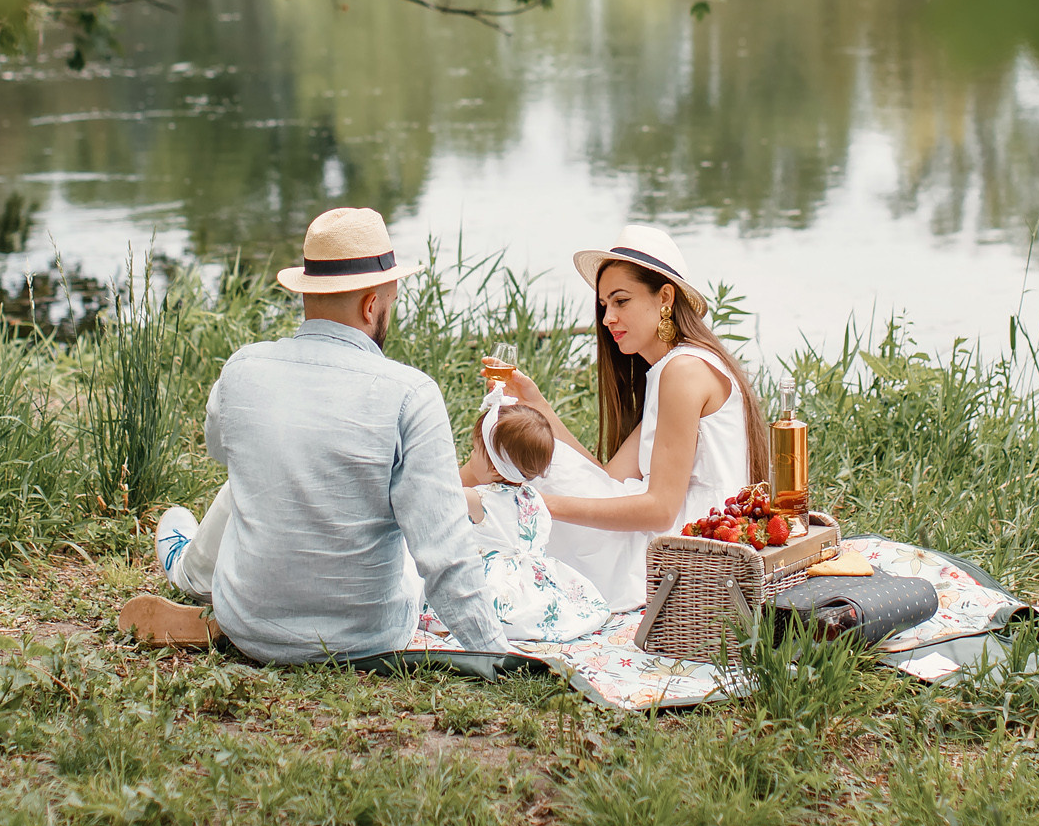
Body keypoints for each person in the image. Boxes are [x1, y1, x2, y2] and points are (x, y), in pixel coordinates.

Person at [116, 207, 509, 662]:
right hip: (366, 639)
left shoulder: (243, 368)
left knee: (244, 479)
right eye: (390, 301)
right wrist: (499, 655)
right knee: (409, 523)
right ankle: (192, 568)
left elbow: (221, 451)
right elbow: (444, 555)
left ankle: (189, 571)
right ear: (370, 304)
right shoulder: (411, 394)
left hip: (249, 627)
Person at [502, 224, 768, 610]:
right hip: (683, 541)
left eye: (620, 301)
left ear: (664, 297)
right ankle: (461, 505)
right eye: (604, 304)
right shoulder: (675, 371)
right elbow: (605, 480)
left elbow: (660, 511)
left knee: (515, 453)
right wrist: (540, 407)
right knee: (526, 442)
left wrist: (541, 504)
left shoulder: (683, 372)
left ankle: (455, 507)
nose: (608, 317)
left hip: (691, 552)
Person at [456, 393, 611, 644]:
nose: (470, 457)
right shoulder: (534, 497)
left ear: (495, 467)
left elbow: (441, 496)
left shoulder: (478, 499)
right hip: (533, 577)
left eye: (474, 450)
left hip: (495, 581)